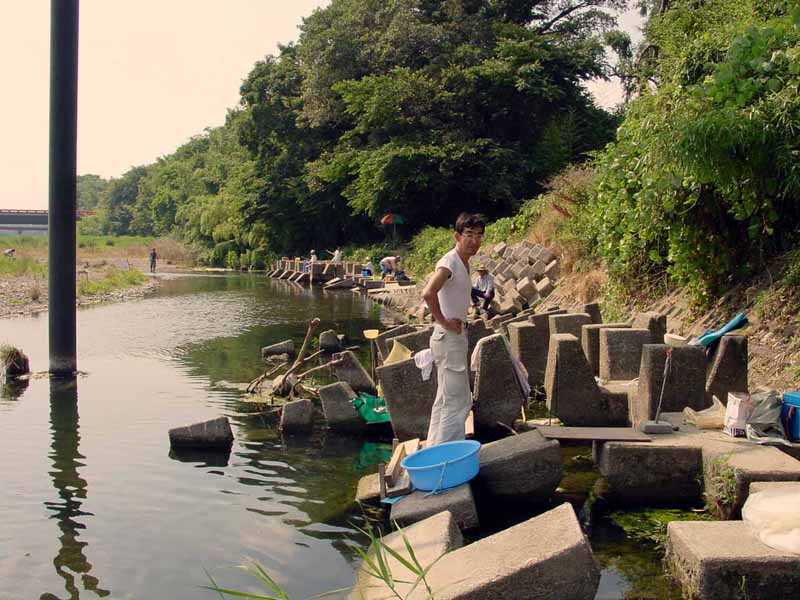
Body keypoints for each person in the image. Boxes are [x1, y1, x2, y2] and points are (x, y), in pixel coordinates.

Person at [422, 212, 484, 446]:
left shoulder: (463, 263)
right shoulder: (450, 261)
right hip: (448, 337)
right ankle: (447, 457)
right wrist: (445, 321)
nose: (474, 240)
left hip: (450, 338)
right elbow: (428, 293)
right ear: (457, 236)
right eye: (469, 235)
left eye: (479, 235)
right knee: (458, 401)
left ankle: (433, 448)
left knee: (445, 398)